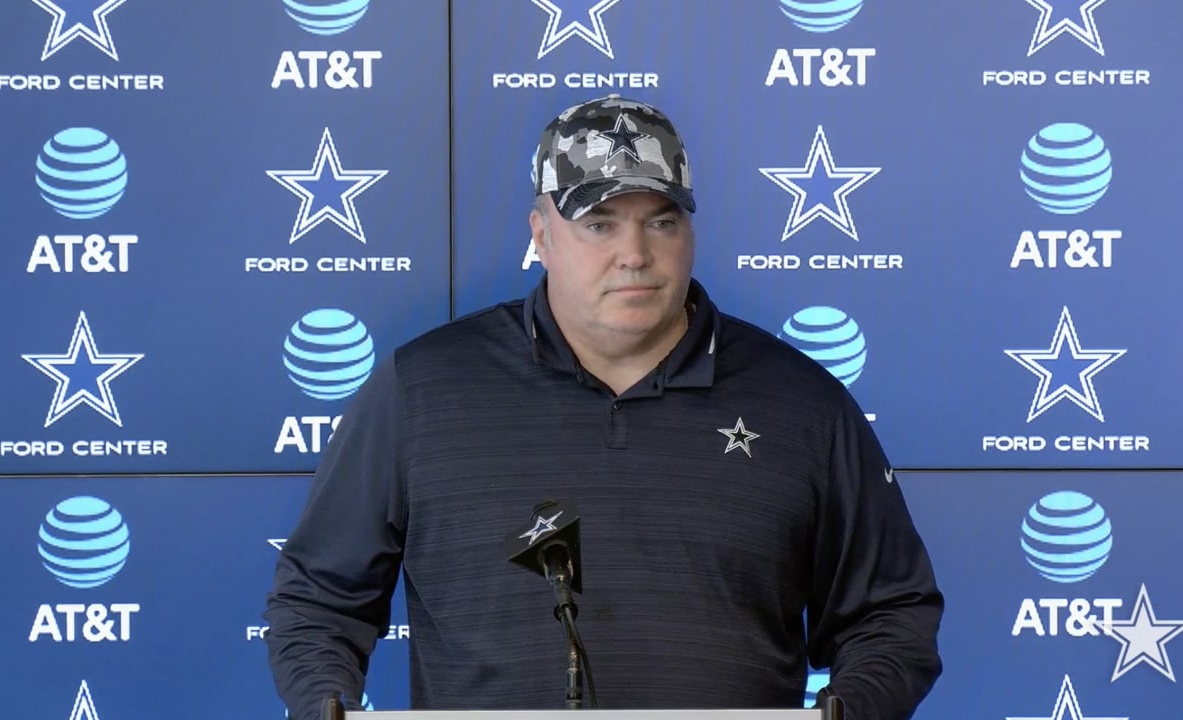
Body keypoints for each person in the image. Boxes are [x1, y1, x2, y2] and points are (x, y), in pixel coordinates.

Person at [263, 94, 944, 720]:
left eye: (662, 221)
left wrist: (848, 711)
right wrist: (326, 705)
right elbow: (318, 598)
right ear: (541, 232)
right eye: (599, 222)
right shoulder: (422, 390)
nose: (635, 255)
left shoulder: (804, 403)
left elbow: (891, 613)